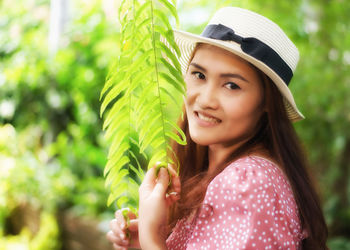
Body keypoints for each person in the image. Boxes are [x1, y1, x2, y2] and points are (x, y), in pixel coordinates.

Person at [106, 7, 328, 250]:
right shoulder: (212, 176)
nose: (205, 99)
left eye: (231, 85)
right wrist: (151, 240)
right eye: (199, 75)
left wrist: (150, 234)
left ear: (266, 102)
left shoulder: (248, 183)